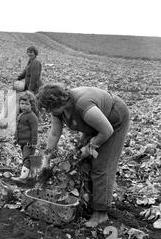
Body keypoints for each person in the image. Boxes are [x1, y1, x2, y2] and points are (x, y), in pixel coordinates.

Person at [37, 83, 130, 228]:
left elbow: (106, 131)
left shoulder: (83, 106)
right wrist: (46, 159)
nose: (49, 111)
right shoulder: (58, 111)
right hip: (96, 123)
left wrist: (90, 146)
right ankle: (88, 201)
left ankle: (100, 213)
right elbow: (54, 133)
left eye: (50, 108)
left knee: (101, 165)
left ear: (60, 101)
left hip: (113, 119)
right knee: (80, 160)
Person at [11, 91, 39, 184]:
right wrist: (16, 138)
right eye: (22, 104)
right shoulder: (21, 115)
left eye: (26, 104)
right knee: (30, 158)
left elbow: (34, 131)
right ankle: (33, 176)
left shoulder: (32, 117)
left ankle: (23, 178)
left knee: (26, 159)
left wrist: (34, 143)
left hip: (29, 143)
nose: (23, 106)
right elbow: (18, 128)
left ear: (32, 105)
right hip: (22, 142)